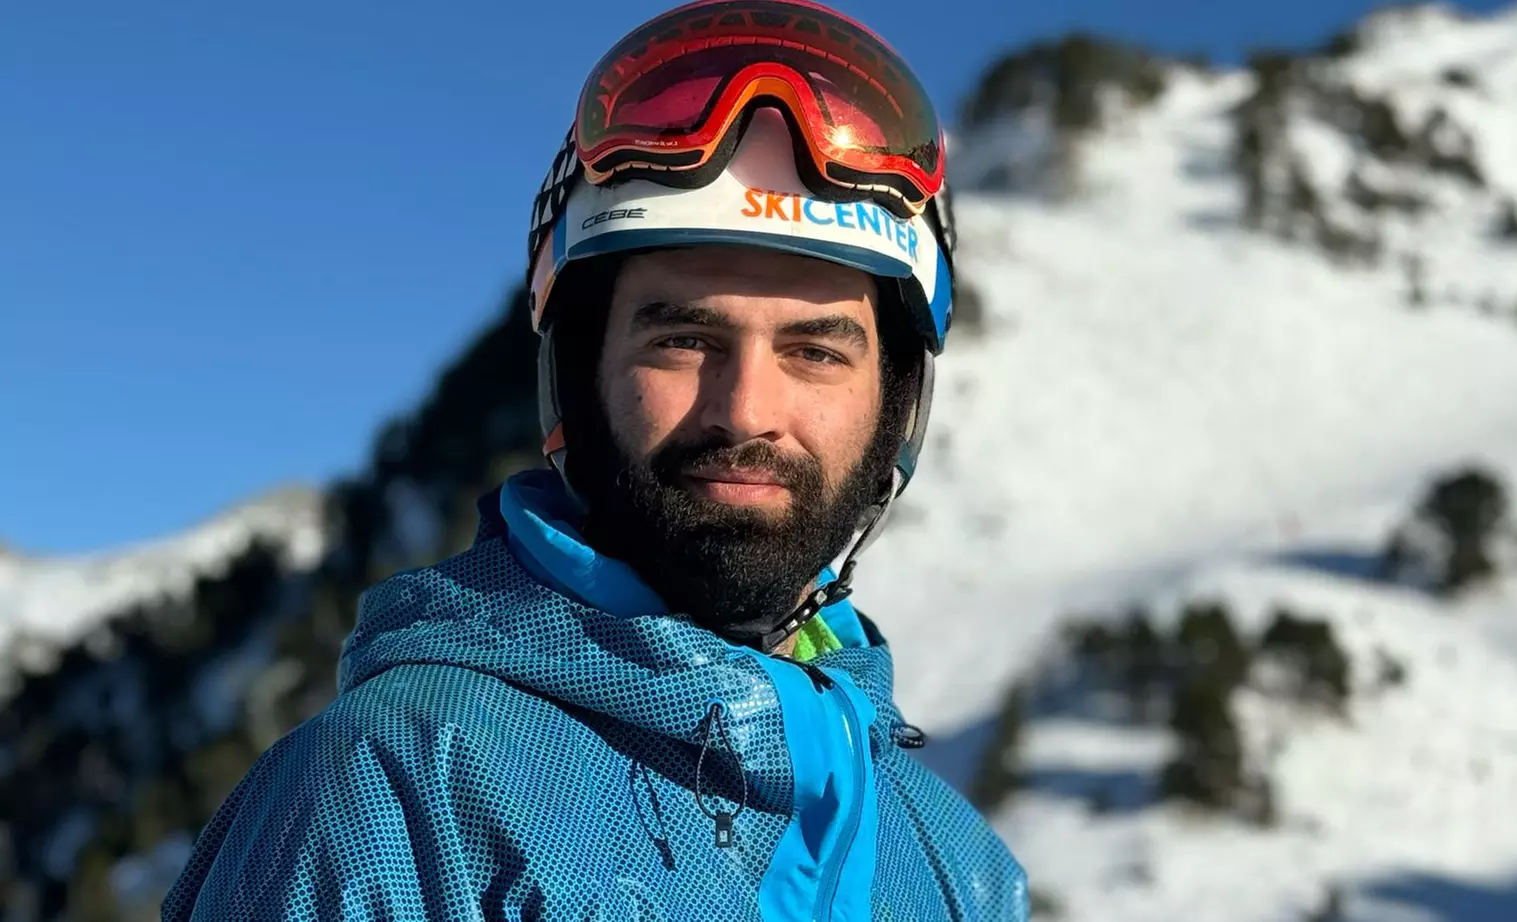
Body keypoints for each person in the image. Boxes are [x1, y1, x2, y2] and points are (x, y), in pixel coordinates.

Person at [162, 1, 1029, 919]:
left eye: (816, 352)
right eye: (684, 340)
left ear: (897, 407)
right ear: (579, 377)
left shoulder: (957, 868)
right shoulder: (397, 796)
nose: (747, 410)